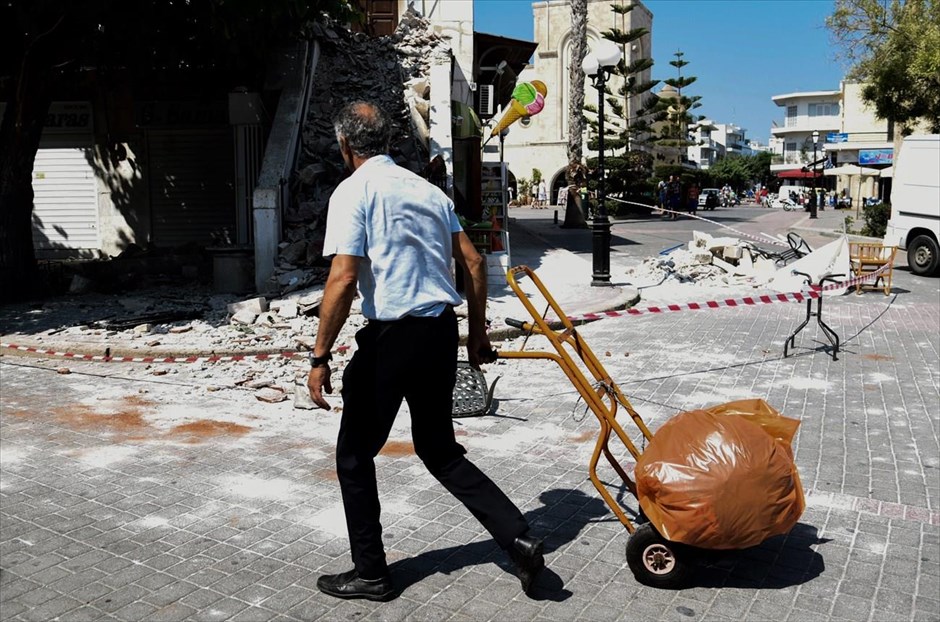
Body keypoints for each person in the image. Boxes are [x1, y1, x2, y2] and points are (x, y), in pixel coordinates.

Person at [307, 101, 544, 602]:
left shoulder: (353, 192)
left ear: (345, 145)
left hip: (391, 339)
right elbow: (475, 263)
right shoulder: (428, 191)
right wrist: (476, 334)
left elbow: (344, 276)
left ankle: (372, 573)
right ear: (389, 141)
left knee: (353, 456)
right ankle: (516, 535)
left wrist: (319, 355)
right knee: (439, 450)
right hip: (440, 332)